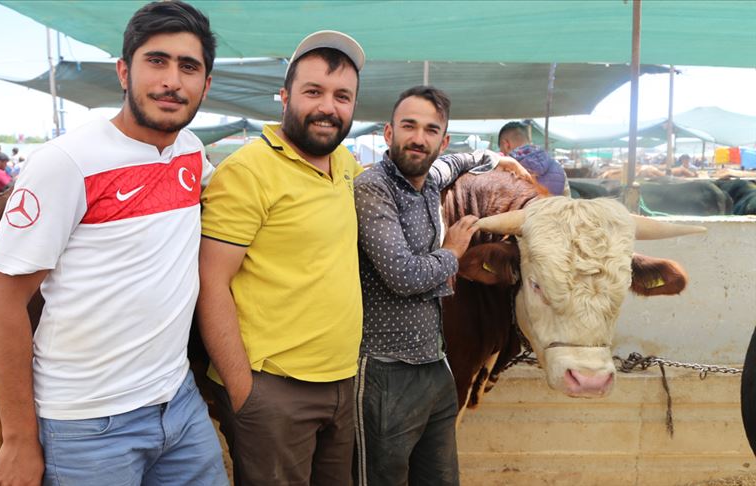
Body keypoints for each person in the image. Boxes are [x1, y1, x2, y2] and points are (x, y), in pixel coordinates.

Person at [0, 2, 228, 485]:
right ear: (123, 71)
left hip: (178, 405)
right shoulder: (65, 163)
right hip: (86, 425)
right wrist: (17, 439)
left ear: (206, 85)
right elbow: (0, 298)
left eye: (188, 66)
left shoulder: (192, 154)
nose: (172, 81)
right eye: (156, 61)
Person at [198, 30, 367, 485]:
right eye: (313, 92)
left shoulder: (345, 164)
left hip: (341, 380)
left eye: (342, 96)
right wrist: (244, 393)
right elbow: (210, 282)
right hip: (272, 386)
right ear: (285, 96)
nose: (328, 107)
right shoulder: (248, 171)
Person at [353, 86, 526, 485]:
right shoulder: (373, 188)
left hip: (435, 365)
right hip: (384, 371)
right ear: (388, 133)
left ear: (442, 140)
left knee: (440, 478)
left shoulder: (431, 177)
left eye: (431, 130)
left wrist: (496, 158)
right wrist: (453, 251)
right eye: (408, 126)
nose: (419, 138)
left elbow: (461, 160)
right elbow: (402, 275)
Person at [498, 121, 570, 196]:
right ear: (528, 141)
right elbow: (568, 202)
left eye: (501, 149)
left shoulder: (502, 170)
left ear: (506, 145)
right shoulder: (556, 167)